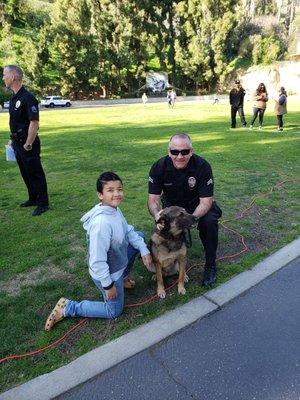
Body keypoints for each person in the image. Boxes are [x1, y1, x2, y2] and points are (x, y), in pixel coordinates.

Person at [45, 172, 152, 331]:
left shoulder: (114, 209)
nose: (117, 194)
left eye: (119, 189)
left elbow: (128, 230)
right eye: (110, 190)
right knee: (114, 311)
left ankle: (122, 279)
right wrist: (109, 286)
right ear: (100, 195)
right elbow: (97, 261)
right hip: (107, 273)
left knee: (140, 237)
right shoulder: (101, 224)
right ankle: (68, 307)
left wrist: (144, 249)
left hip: (116, 263)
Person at [148, 133, 222, 287]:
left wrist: (192, 218)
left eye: (185, 152)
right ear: (169, 152)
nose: (179, 156)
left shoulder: (202, 166)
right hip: (173, 208)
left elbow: (206, 201)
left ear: (191, 151)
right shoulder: (158, 167)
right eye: (175, 152)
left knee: (208, 222)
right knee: (163, 231)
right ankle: (162, 259)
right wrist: (157, 215)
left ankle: (210, 265)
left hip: (197, 206)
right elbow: (153, 200)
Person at [3, 65, 49, 216]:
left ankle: (43, 203)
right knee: (25, 172)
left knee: (35, 172)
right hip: (17, 142)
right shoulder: (14, 97)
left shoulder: (27, 97)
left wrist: (28, 143)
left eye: (5, 75)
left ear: (13, 77)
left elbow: (34, 122)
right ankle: (33, 198)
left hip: (28, 143)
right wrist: (12, 139)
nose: (3, 78)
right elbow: (17, 122)